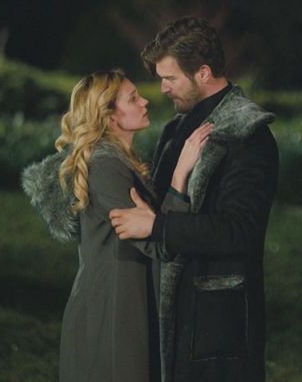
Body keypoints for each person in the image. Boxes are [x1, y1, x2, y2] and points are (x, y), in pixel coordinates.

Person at [109, 16, 279, 382]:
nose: (163, 89)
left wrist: (159, 226)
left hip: (216, 319)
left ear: (203, 73)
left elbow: (240, 230)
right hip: (169, 307)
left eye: (171, 78)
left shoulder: (248, 136)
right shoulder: (176, 129)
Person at [21, 69, 212, 382]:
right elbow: (157, 241)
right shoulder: (105, 167)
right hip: (111, 316)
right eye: (133, 98)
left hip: (124, 306)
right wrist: (180, 176)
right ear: (110, 117)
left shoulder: (121, 162)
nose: (145, 101)